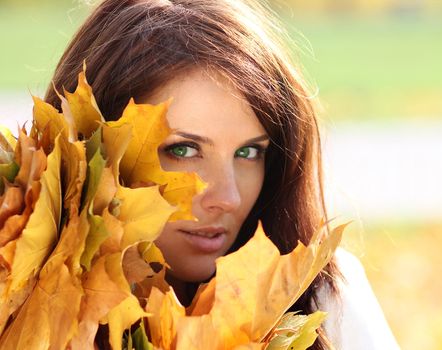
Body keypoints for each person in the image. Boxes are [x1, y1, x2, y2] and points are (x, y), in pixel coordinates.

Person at [44, 0, 399, 348]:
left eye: (248, 152)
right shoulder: (19, 307)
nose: (228, 197)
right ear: (89, 145)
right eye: (182, 150)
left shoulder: (322, 297)